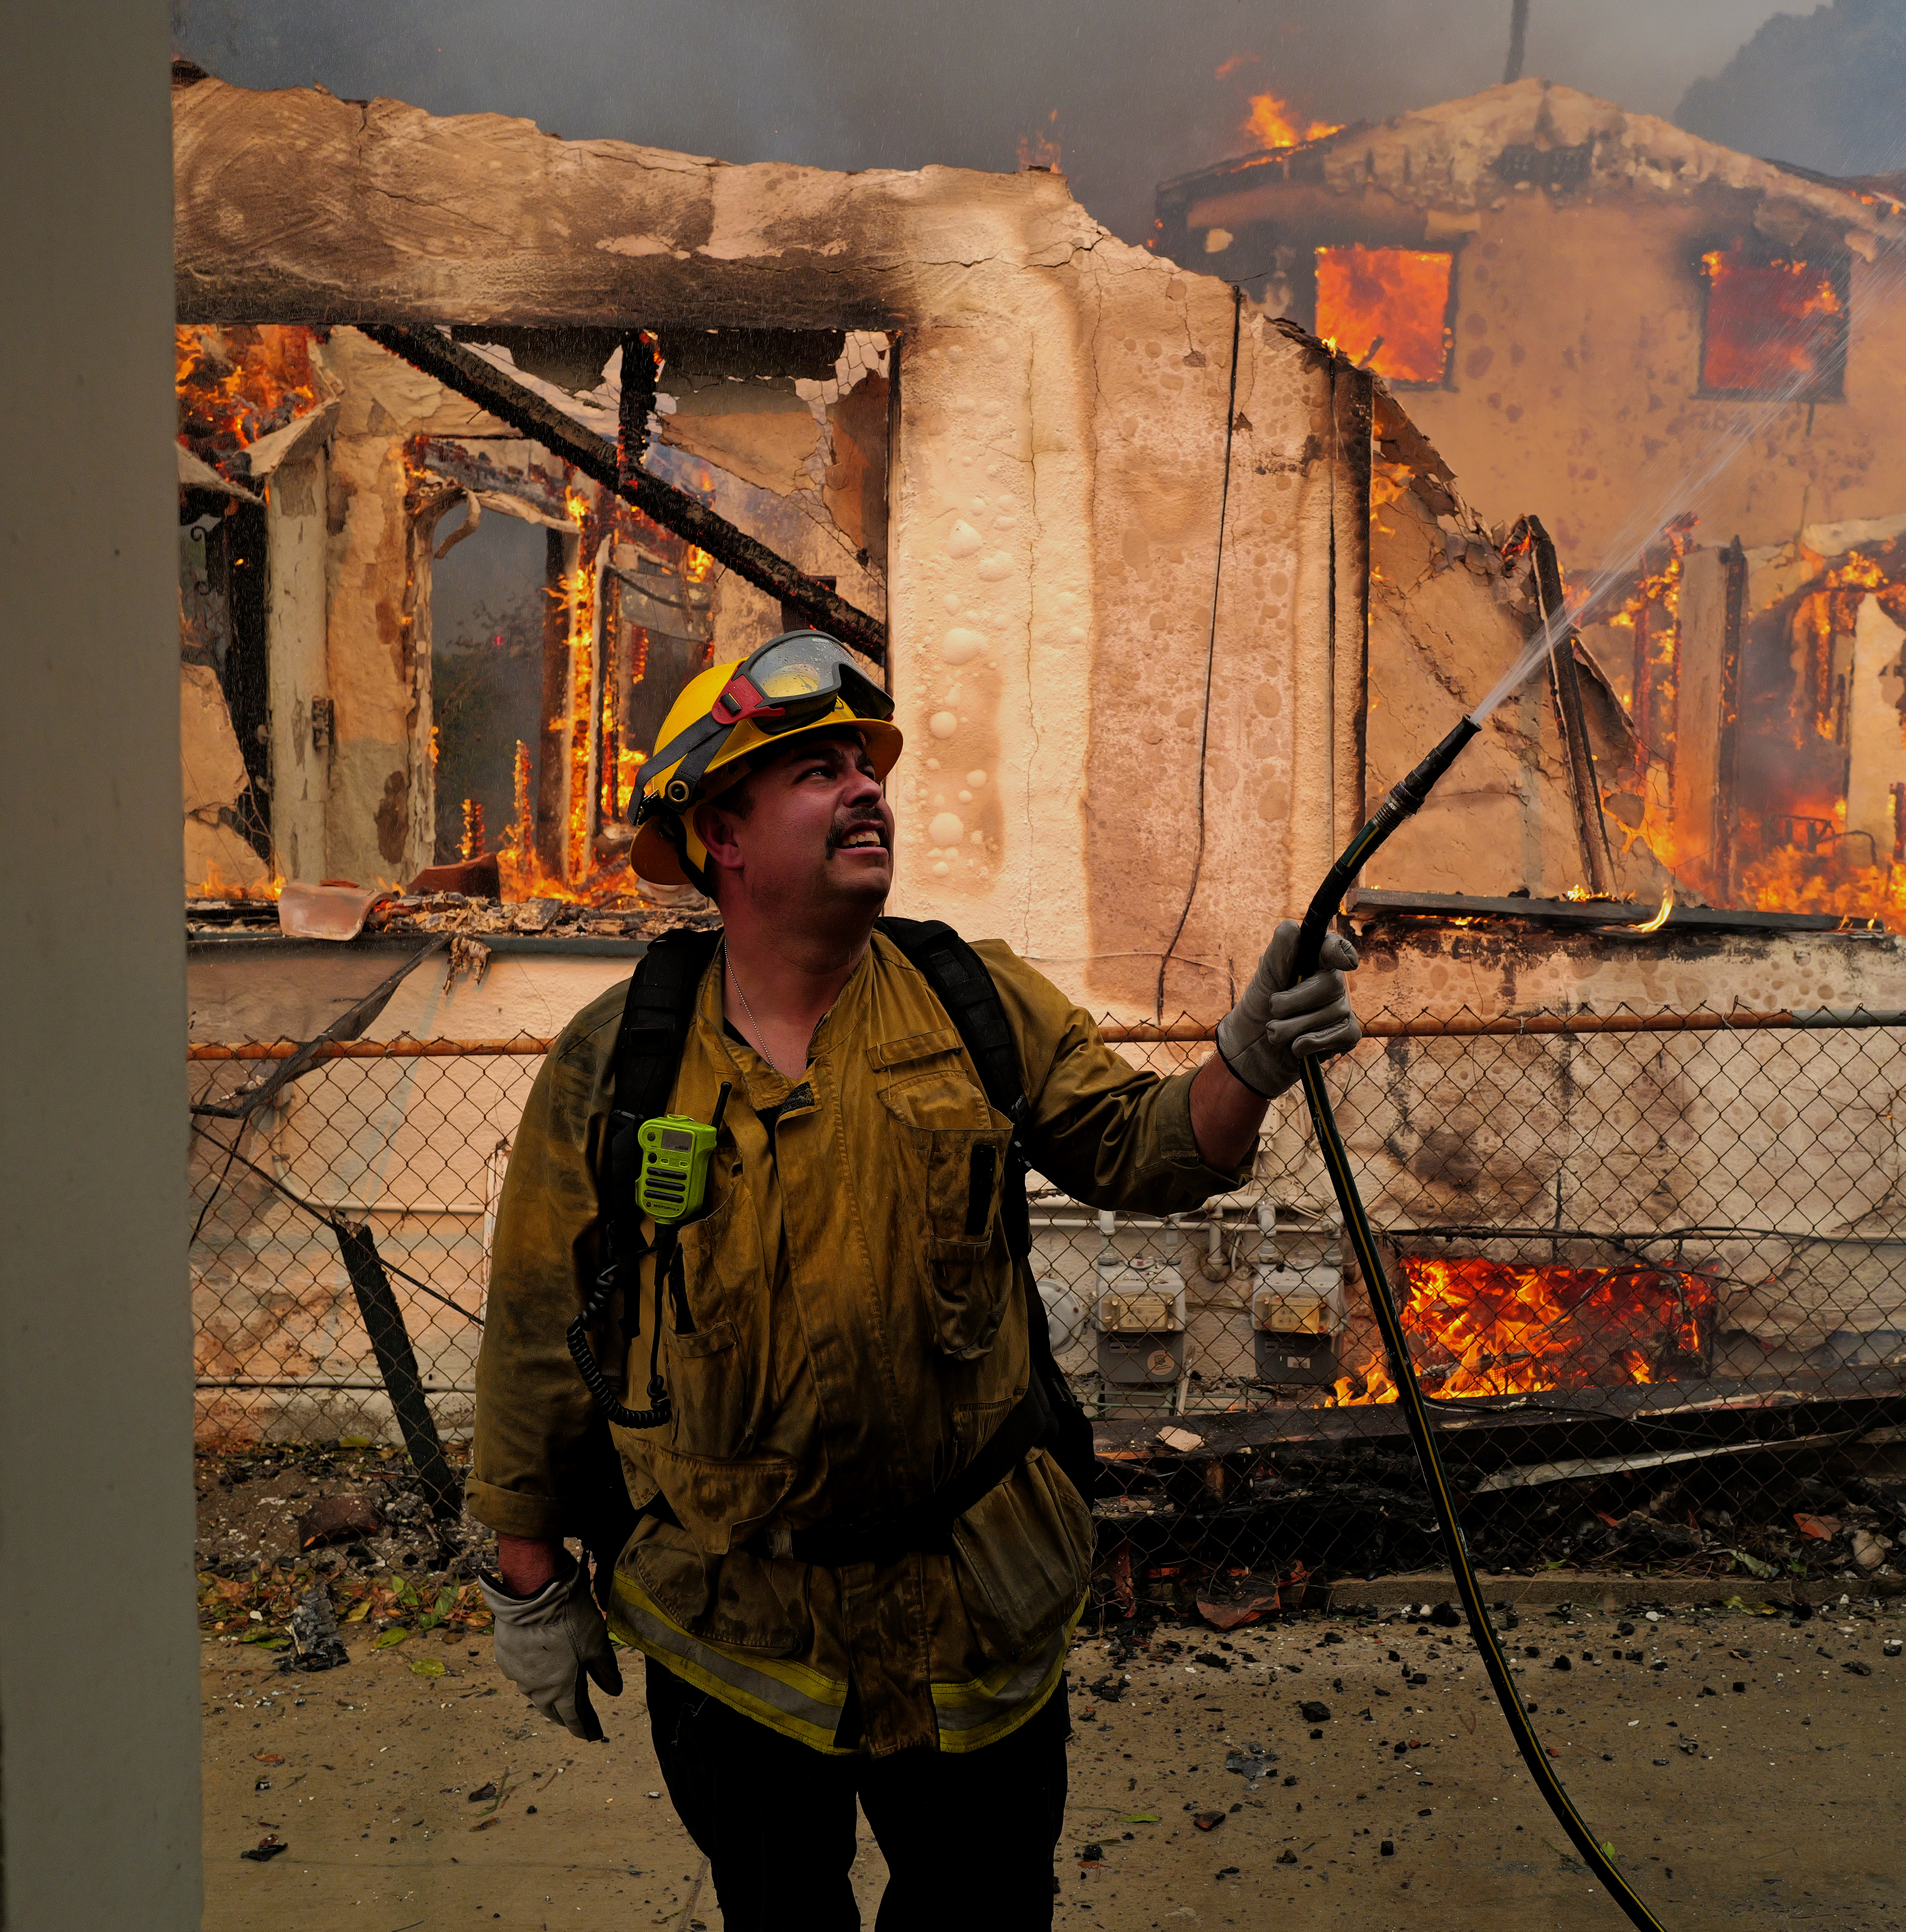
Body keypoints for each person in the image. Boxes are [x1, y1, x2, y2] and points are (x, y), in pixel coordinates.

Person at [465, 633, 1359, 1929]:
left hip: (971, 1615)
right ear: (723, 831)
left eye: (868, 767)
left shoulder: (970, 998)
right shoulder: (619, 1063)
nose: (868, 789)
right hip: (737, 1628)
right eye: (818, 772)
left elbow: (1146, 1145)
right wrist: (528, 1574)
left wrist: (1250, 1055)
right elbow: (541, 1328)